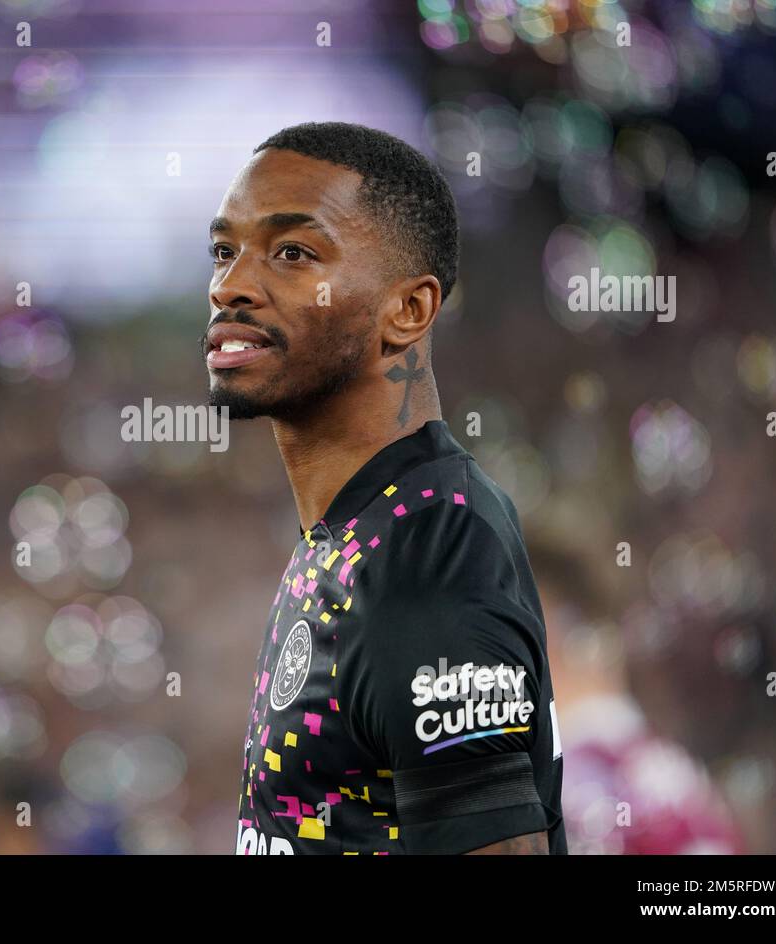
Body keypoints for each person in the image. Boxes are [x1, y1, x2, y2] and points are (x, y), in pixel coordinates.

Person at [207, 121, 565, 854]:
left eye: (293, 253)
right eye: (223, 250)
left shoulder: (430, 550)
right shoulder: (357, 529)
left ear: (408, 311)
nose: (230, 285)